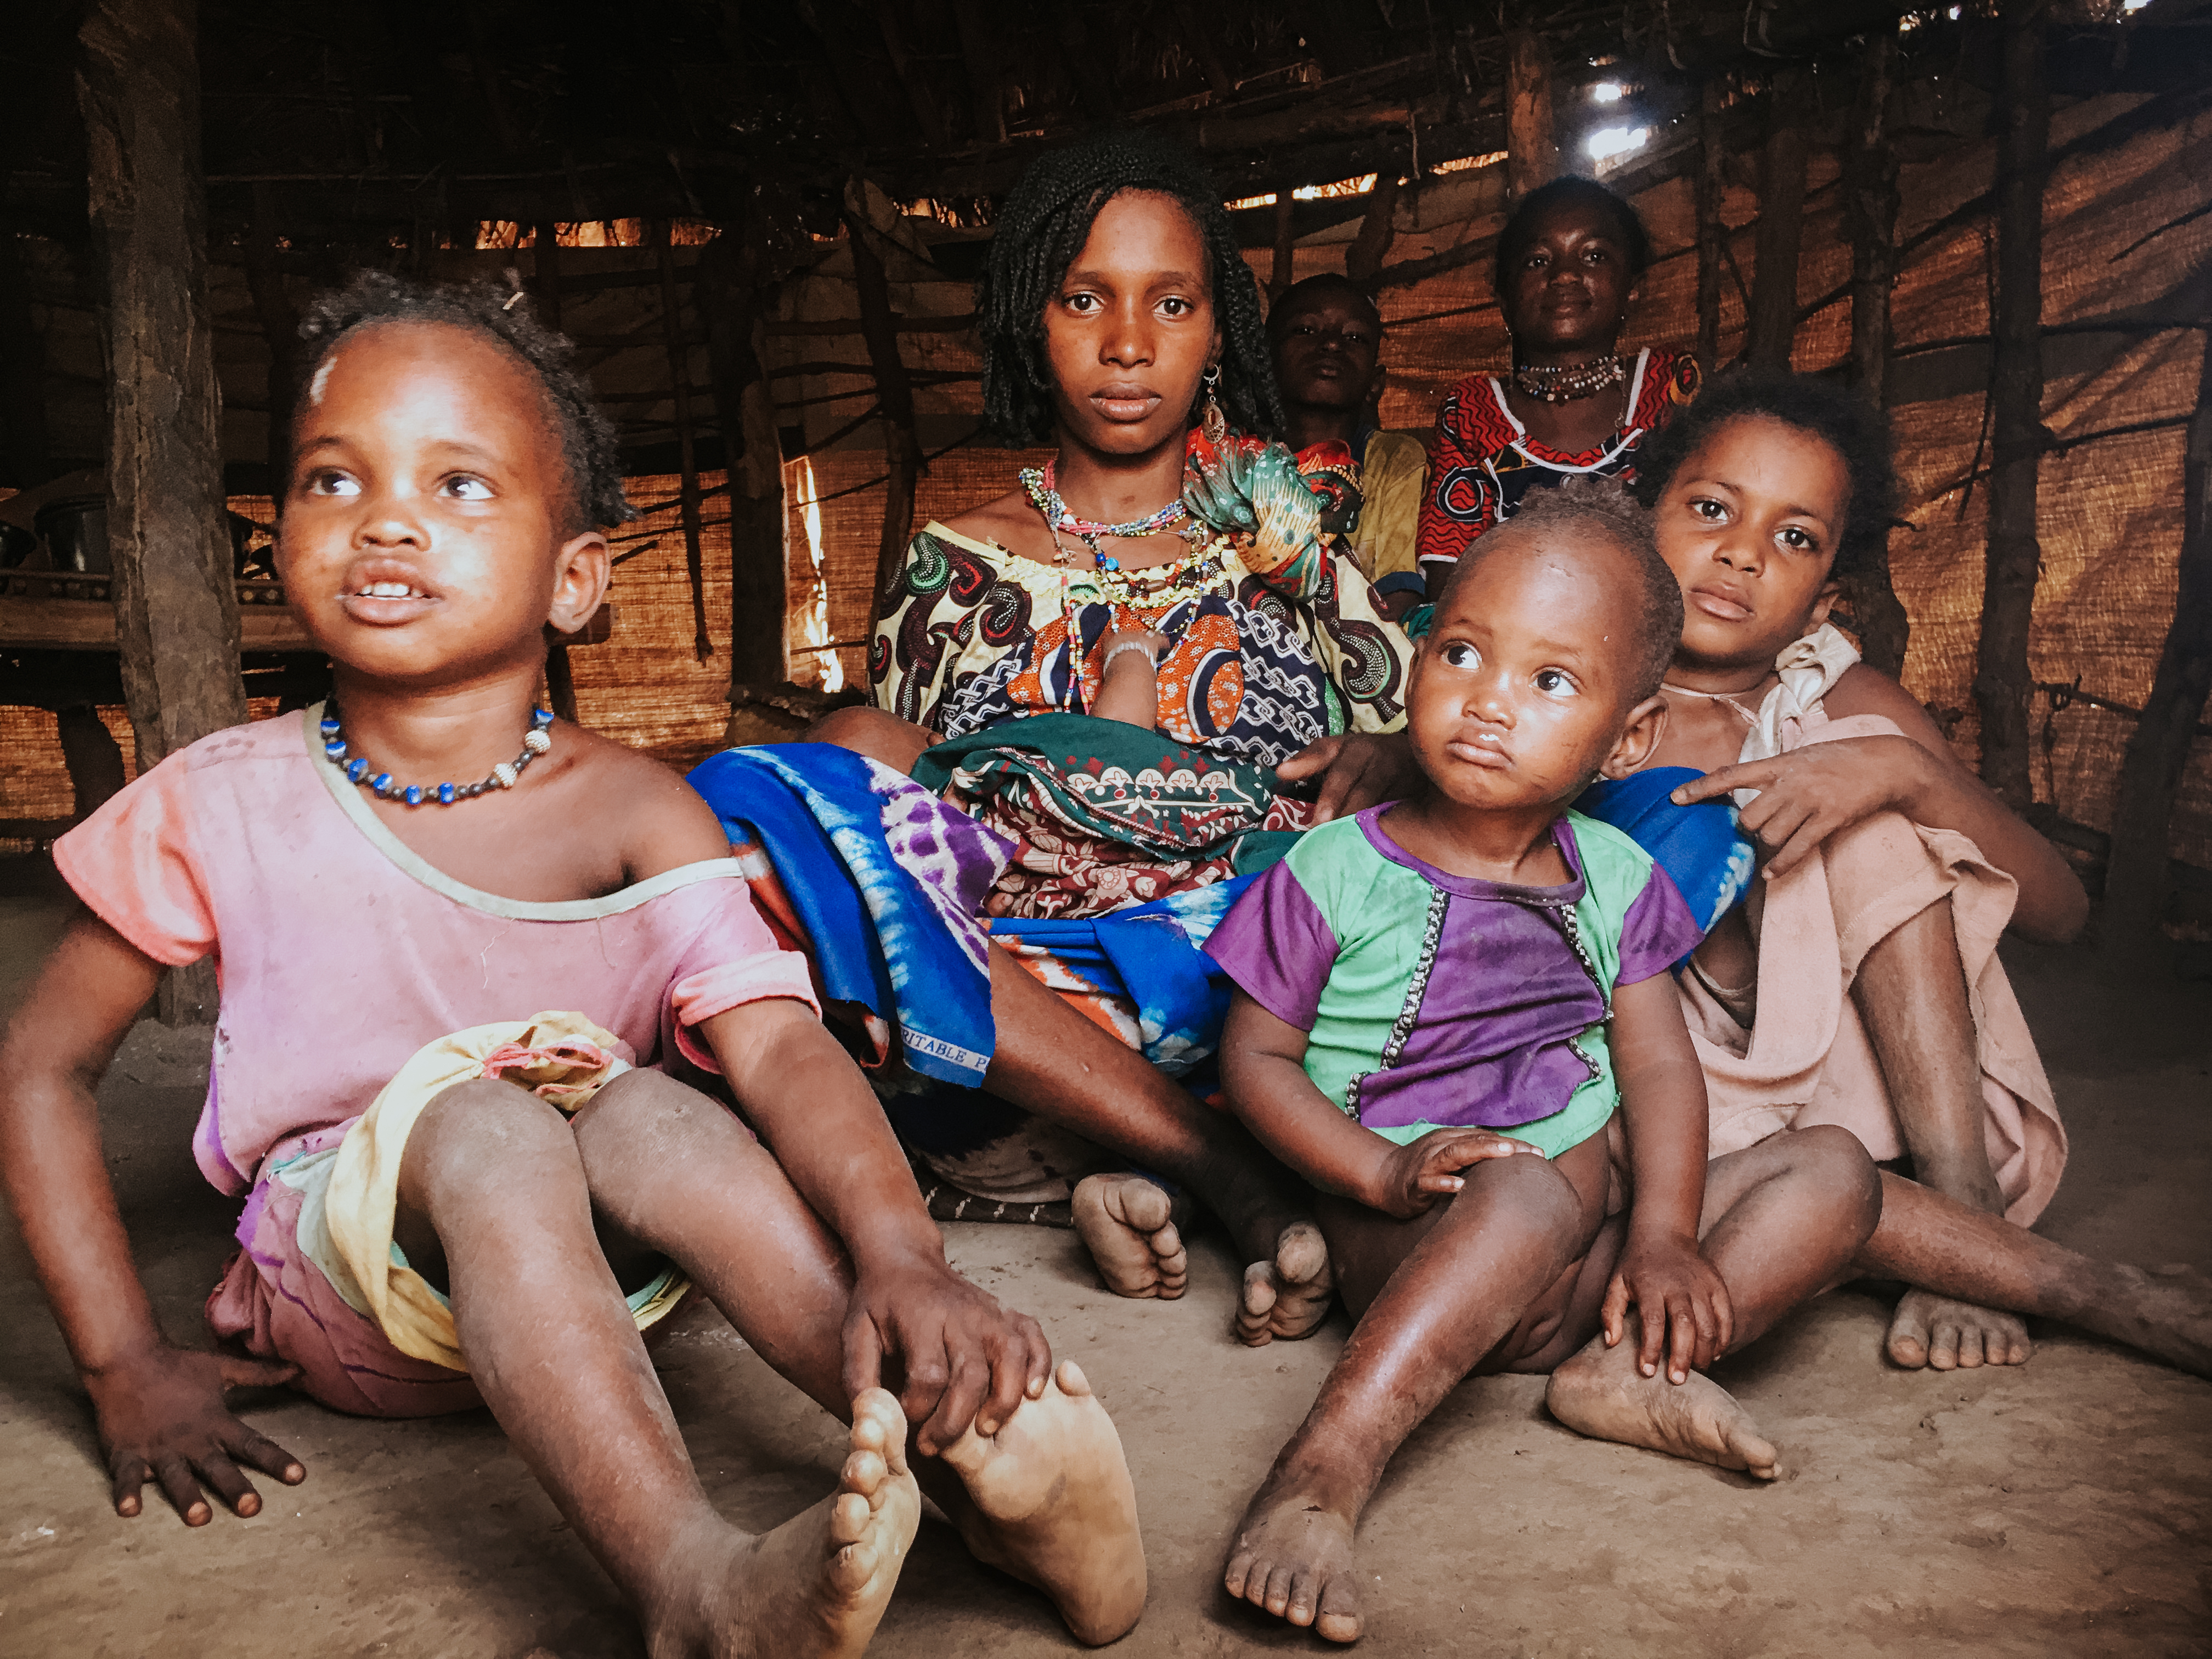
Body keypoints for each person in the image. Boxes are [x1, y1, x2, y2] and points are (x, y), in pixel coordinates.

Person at [0, 273, 1152, 1657]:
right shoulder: (221, 799)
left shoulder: (637, 812)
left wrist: (909, 1257)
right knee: (491, 1121)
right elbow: (42, 1070)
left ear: (578, 577)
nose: (390, 516)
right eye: (331, 477)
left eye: (461, 483)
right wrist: (121, 1365)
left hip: (603, 1304)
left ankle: (977, 1461)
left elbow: (782, 1048)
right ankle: (692, 1585)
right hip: (355, 1287)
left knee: (654, 1104)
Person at [747, 133, 1426, 1342]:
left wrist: (1391, 751)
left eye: (1173, 302)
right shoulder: (951, 565)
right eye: (1084, 299)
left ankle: (1128, 1165)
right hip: (1020, 1007)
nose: (1128, 342)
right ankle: (1197, 1162)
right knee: (812, 774)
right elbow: (905, 826)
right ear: (1031, 322)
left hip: (1249, 1003)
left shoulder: (1286, 551)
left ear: (1222, 334)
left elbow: (1469, 746)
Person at [1209, 481, 1885, 1644]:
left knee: (1834, 1172)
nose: (1488, 705)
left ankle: (1626, 1370)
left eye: (1550, 682)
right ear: (1418, 662)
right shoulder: (1331, 869)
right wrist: (1377, 1175)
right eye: (1463, 653)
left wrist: (1667, 1239)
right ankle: (1324, 1469)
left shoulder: (1616, 876)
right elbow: (1253, 1061)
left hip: (1597, 1278)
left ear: (1626, 738)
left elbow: (1663, 1071)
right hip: (1423, 1237)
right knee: (1521, 1191)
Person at [1589, 369, 2212, 1379]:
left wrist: (1905, 772)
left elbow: (2060, 908)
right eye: (1710, 508)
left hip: (1863, 1094)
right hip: (1670, 1106)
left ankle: (1958, 1193)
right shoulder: (1564, 675)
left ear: (1825, 596)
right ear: (1636, 520)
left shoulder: (1837, 699)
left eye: (1794, 537)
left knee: (1869, 811)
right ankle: (2058, 1278)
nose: (1741, 551)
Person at [1414, 174, 1700, 601]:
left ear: (1633, 288)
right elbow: (1449, 584)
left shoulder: (1668, 388)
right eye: (1537, 261)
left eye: (1594, 256)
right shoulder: (1473, 411)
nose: (1565, 275)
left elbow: (1706, 542)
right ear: (1505, 298)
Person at [1267, 273, 1428, 619]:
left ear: (1376, 382)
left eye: (1354, 337)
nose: (1332, 345)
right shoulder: (1236, 460)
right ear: (1265, 361)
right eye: (1306, 330)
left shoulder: (1394, 459)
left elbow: (1397, 597)